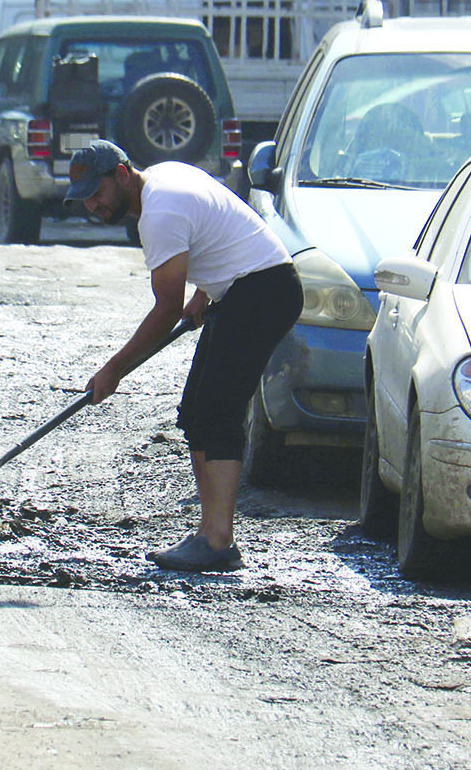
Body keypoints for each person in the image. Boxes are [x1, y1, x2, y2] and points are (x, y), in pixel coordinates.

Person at [72, 140, 303, 573]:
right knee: (197, 410)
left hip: (261, 292)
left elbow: (164, 311)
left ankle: (218, 541)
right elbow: (221, 228)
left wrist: (114, 369)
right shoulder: (166, 178)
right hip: (246, 286)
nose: (92, 205)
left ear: (121, 175)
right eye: (84, 198)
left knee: (217, 412)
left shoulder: (159, 213)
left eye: (97, 193)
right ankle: (209, 534)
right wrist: (204, 292)